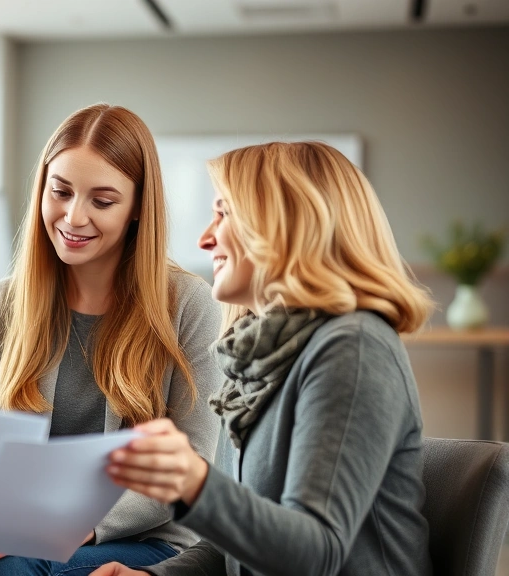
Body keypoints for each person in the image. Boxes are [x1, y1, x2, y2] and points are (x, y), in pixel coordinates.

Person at [95, 141, 435, 576]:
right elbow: (236, 548)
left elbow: (316, 553)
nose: (205, 238)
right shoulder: (262, 359)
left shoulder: (354, 348)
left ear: (287, 223)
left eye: (224, 213)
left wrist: (194, 484)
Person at [0, 104, 222, 576]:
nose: (73, 217)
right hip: (29, 534)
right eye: (60, 192)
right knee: (0, 566)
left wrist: (78, 523)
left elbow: (192, 462)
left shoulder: (187, 304)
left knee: (26, 568)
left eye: (102, 201)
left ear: (139, 206)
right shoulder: (0, 306)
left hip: (149, 539)